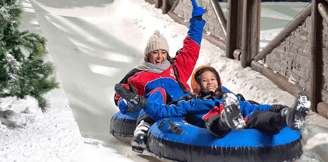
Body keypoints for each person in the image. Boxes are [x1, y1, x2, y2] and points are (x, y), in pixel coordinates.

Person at [115, 65, 311, 140]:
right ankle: (229, 120)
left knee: (259, 116)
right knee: (215, 119)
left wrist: (280, 109)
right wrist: (139, 101)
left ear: (219, 82)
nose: (210, 83)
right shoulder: (192, 102)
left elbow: (253, 107)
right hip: (212, 120)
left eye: (213, 79)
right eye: (205, 81)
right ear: (197, 86)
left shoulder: (229, 97)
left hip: (244, 116)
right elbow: (164, 111)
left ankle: (289, 119)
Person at [113, 0, 206, 153]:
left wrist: (197, 21)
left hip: (181, 104)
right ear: (148, 55)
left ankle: (216, 123)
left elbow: (191, 49)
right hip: (157, 107)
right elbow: (121, 92)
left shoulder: (176, 68)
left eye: (163, 52)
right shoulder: (138, 74)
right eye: (155, 52)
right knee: (159, 92)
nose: (160, 57)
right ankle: (142, 130)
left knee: (197, 96)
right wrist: (123, 102)